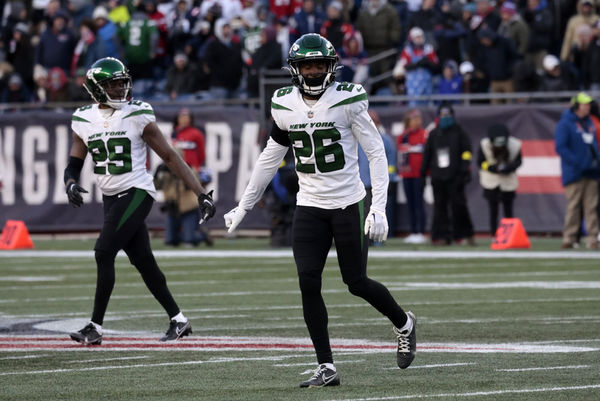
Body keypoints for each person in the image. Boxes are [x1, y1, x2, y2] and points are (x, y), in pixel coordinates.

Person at [223, 33, 417, 388]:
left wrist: (379, 208)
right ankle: (326, 366)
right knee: (307, 282)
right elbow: (270, 156)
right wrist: (244, 205)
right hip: (309, 204)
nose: (312, 72)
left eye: (318, 65)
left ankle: (404, 322)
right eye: (306, 65)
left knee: (355, 282)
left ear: (331, 67)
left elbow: (376, 153)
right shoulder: (283, 103)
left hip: (348, 202)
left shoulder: (349, 98)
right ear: (295, 70)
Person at [64, 57, 216, 345]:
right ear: (97, 89)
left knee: (103, 252)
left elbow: (170, 156)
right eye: (113, 84)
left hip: (136, 192)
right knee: (143, 260)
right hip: (112, 197)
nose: (121, 89)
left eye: (123, 83)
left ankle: (95, 326)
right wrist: (70, 182)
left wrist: (200, 193)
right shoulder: (83, 118)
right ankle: (179, 320)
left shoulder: (138, 114)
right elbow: (74, 161)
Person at [420, 102, 475, 245]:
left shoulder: (460, 132)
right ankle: (441, 236)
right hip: (438, 176)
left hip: (456, 175)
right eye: (443, 115)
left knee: (459, 206)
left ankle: (464, 234)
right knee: (440, 208)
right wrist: (423, 172)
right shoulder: (434, 134)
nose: (446, 117)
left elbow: (467, 151)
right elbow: (428, 154)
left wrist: (464, 168)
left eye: (448, 114)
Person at [554, 92, 600, 249]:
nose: (587, 107)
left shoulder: (589, 123)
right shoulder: (565, 124)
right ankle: (569, 237)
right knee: (573, 206)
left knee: (591, 206)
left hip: (591, 172)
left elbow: (593, 146)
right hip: (574, 172)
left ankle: (593, 238)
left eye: (588, 104)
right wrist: (578, 163)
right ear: (575, 106)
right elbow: (561, 147)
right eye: (584, 104)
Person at [477, 123, 522, 236]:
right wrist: (491, 168)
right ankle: (494, 235)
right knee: (493, 210)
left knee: (508, 210)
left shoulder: (515, 144)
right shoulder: (484, 144)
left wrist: (509, 168)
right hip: (491, 181)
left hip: (508, 181)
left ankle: (509, 236)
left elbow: (519, 161)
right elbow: (480, 162)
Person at [397, 109, 427, 244]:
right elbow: (401, 154)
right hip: (406, 174)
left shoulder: (424, 134)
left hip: (419, 175)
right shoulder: (403, 136)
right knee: (411, 204)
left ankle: (421, 231)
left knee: (419, 203)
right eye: (414, 119)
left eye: (419, 119)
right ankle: (413, 231)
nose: (417, 122)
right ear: (408, 121)